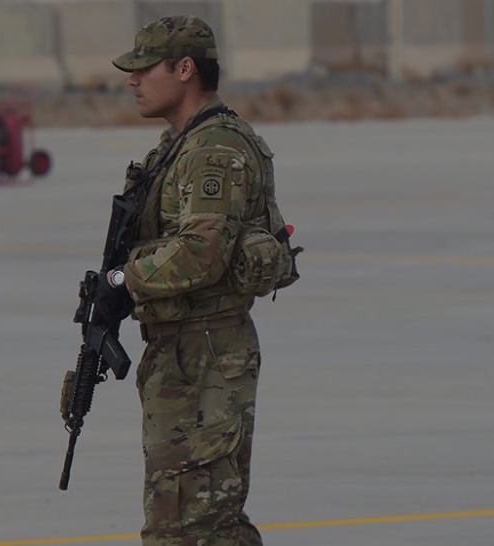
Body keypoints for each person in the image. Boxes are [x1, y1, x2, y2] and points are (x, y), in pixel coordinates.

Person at [104, 14, 295, 546]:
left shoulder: (214, 150)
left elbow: (200, 255)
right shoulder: (178, 146)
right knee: (203, 527)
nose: (133, 80)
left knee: (190, 528)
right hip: (185, 355)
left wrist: (121, 278)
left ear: (184, 69)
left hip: (205, 357)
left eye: (145, 68)